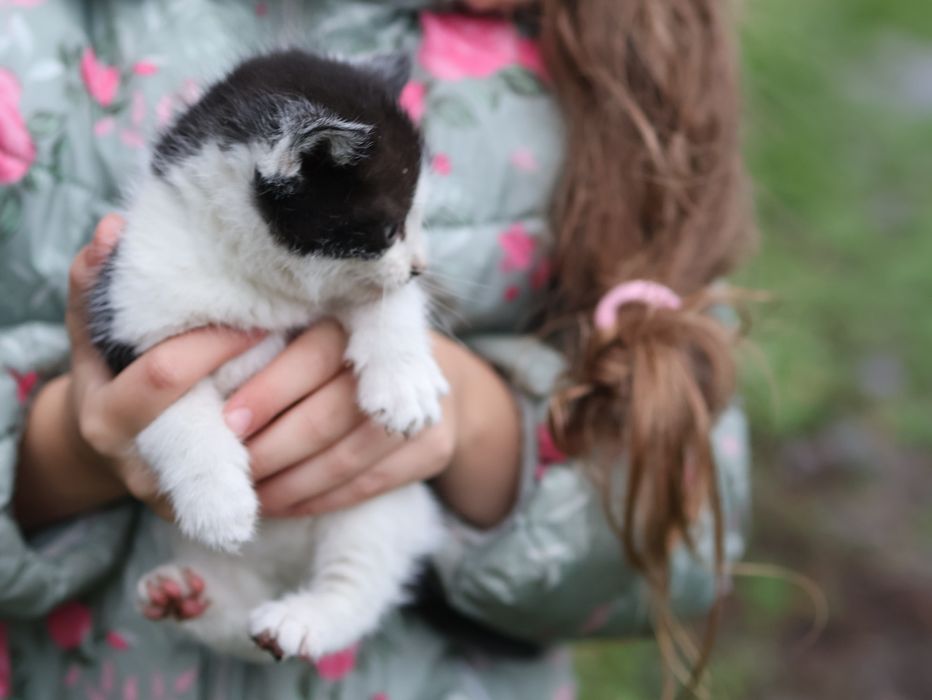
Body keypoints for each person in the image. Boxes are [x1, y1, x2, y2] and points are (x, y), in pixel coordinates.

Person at [0, 0, 753, 698]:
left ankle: (333, 603)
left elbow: (693, 531)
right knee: (212, 541)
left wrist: (485, 429)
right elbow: (147, 368)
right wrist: (64, 456)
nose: (415, 261)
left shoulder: (590, 55)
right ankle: (224, 610)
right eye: (395, 233)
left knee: (368, 519)